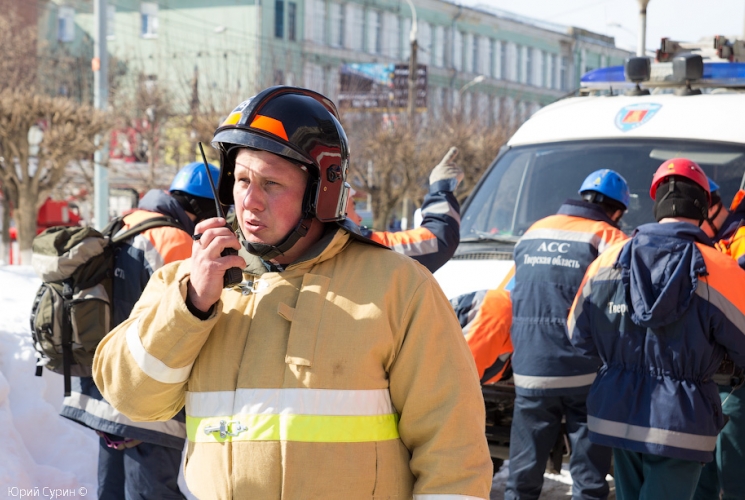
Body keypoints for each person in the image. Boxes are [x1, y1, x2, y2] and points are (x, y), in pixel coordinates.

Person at [92, 86, 492, 499]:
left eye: (272, 184)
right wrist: (192, 303)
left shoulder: (400, 288)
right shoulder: (187, 281)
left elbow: (453, 454)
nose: (250, 202)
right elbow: (131, 398)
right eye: (242, 179)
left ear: (322, 192)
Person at [568, 158, 745, 500]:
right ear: (704, 207)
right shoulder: (719, 268)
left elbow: (578, 333)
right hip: (682, 422)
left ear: (657, 203)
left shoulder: (608, 258)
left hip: (617, 412)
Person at [61, 161, 220, 500]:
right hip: (148, 396)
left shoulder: (127, 222)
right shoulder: (176, 240)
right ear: (204, 207)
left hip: (106, 384)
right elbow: (187, 319)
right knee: (150, 492)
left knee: (112, 490)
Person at [505, 169, 630, 500]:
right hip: (585, 374)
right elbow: (624, 305)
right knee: (589, 480)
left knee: (521, 477)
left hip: (531, 369)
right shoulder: (609, 237)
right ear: (617, 210)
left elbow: (509, 293)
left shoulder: (533, 231)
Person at [694, 179, 745, 500]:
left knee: (734, 472)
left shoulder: (738, 241)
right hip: (709, 377)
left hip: (734, 379)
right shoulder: (713, 242)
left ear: (710, 207)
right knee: (703, 471)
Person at [345, 146, 463, 273]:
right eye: (353, 207)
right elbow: (436, 241)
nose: (360, 217)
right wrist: (440, 187)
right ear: (340, 212)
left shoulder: (328, 251)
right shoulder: (362, 248)